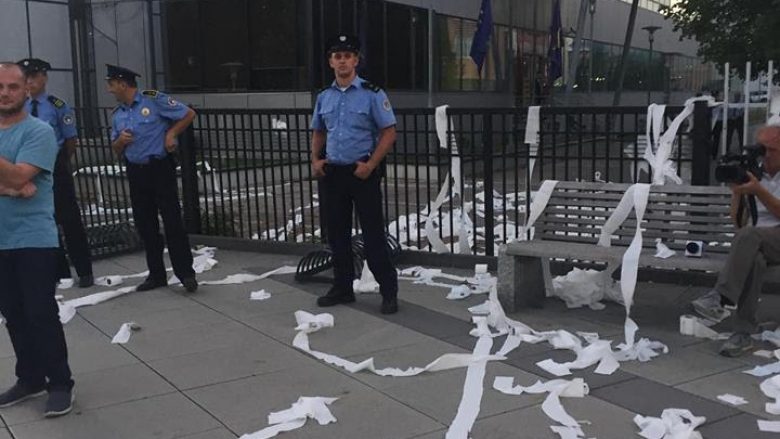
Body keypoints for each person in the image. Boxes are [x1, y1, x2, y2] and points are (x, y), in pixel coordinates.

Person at [0, 62, 75, 417]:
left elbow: (19, 178)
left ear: (25, 90)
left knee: (39, 313)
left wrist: (13, 184)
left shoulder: (39, 132)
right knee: (13, 314)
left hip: (33, 239)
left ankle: (60, 383)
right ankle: (30, 378)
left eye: (13, 86)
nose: (5, 92)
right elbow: (15, 183)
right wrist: (12, 188)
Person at [310, 35, 399, 314]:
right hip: (334, 173)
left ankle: (388, 291)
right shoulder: (324, 96)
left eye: (348, 56)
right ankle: (343, 287)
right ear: (330, 62)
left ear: (356, 61)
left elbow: (389, 132)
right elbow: (319, 130)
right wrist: (315, 159)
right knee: (337, 235)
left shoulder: (372, 93)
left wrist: (371, 165)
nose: (342, 61)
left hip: (362, 173)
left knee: (373, 235)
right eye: (337, 56)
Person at [106, 64, 198, 293]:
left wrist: (171, 133)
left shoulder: (152, 99)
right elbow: (115, 148)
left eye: (112, 84)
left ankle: (185, 273)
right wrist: (120, 142)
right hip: (135, 171)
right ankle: (156, 274)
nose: (110, 89)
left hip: (159, 168)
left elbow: (188, 114)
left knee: (172, 221)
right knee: (146, 224)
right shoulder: (118, 114)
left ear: (123, 83)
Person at [692, 124, 780, 357]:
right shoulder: (755, 173)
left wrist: (759, 191)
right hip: (758, 241)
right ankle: (742, 333)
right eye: (762, 149)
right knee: (755, 260)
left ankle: (719, 297)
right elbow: (739, 223)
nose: (765, 155)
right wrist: (738, 193)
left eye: (771, 149)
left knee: (749, 236)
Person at [17, 58, 94, 288]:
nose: (29, 82)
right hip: (30, 168)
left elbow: (70, 141)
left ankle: (84, 271)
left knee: (70, 220)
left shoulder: (57, 105)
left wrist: (59, 162)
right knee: (44, 221)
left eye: (33, 77)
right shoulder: (20, 107)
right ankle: (60, 272)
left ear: (44, 77)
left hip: (55, 166)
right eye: (25, 77)